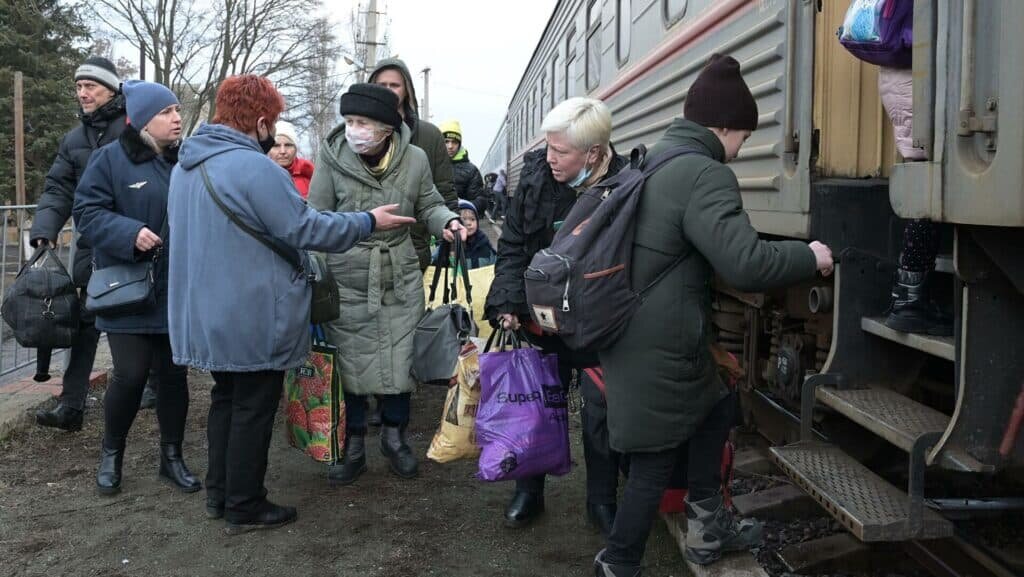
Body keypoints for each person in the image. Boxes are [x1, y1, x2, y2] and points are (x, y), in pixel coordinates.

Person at [593, 54, 834, 575]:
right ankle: (617, 563)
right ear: (723, 126)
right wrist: (808, 257)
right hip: (660, 344)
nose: (742, 148)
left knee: (715, 408)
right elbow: (745, 263)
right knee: (654, 461)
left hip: (638, 332)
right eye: (743, 136)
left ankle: (706, 527)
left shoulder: (655, 158)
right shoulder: (705, 174)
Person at [166, 75, 414, 535]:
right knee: (253, 407)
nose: (272, 132)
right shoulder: (255, 168)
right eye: (273, 122)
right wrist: (366, 221)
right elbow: (305, 228)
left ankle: (220, 495)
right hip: (252, 312)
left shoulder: (187, 166)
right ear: (260, 121)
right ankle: (245, 505)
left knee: (226, 399)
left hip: (204, 311)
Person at [307, 83, 465, 486]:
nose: (353, 129)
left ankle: (394, 438)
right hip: (348, 275)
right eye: (349, 121)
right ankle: (354, 444)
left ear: (385, 127)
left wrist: (446, 221)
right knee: (351, 365)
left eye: (362, 122)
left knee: (400, 362)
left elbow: (428, 202)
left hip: (399, 274)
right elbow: (317, 215)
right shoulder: (332, 157)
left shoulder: (413, 159)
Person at [484, 97, 628, 537]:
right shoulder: (536, 182)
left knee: (601, 412)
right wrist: (508, 301)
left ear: (594, 152)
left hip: (598, 322)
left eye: (560, 151)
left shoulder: (625, 184)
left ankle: (601, 500)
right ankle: (530, 490)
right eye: (548, 147)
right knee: (537, 400)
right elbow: (513, 245)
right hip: (543, 320)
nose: (550, 158)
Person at [72, 80, 197, 497]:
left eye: (178, 110)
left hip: (175, 290)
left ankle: (172, 457)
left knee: (174, 378)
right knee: (129, 376)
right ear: (142, 119)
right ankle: (112, 454)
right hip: (129, 291)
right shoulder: (111, 160)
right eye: (167, 112)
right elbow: (87, 213)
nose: (177, 117)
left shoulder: (188, 161)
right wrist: (131, 232)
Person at [30, 56, 139, 430]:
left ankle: (155, 387)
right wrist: (45, 228)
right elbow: (58, 189)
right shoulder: (73, 140)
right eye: (78, 87)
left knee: (143, 321)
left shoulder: (135, 129)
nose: (82, 93)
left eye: (90, 86)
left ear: (111, 89)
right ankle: (71, 407)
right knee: (85, 327)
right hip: (91, 250)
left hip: (134, 244)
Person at [368, 58, 458, 270]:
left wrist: (449, 230)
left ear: (406, 90)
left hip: (413, 250)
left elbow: (444, 189)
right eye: (382, 85)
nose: (388, 91)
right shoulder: (357, 135)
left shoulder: (429, 135)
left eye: (395, 85)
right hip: (363, 251)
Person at [439, 119, 488, 214]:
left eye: (454, 142)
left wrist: (463, 207)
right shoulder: (429, 164)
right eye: (446, 141)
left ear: (459, 144)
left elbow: (480, 200)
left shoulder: (471, 170)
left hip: (460, 223)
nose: (450, 146)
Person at [433, 199, 497, 270]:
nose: (469, 223)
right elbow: (433, 261)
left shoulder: (483, 243)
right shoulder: (447, 243)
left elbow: (494, 264)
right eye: (464, 219)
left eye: (472, 219)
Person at [268, 120, 315, 199]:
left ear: (296, 149)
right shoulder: (259, 176)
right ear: (268, 149)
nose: (282, 151)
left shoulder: (312, 175)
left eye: (288, 145)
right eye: (276, 146)